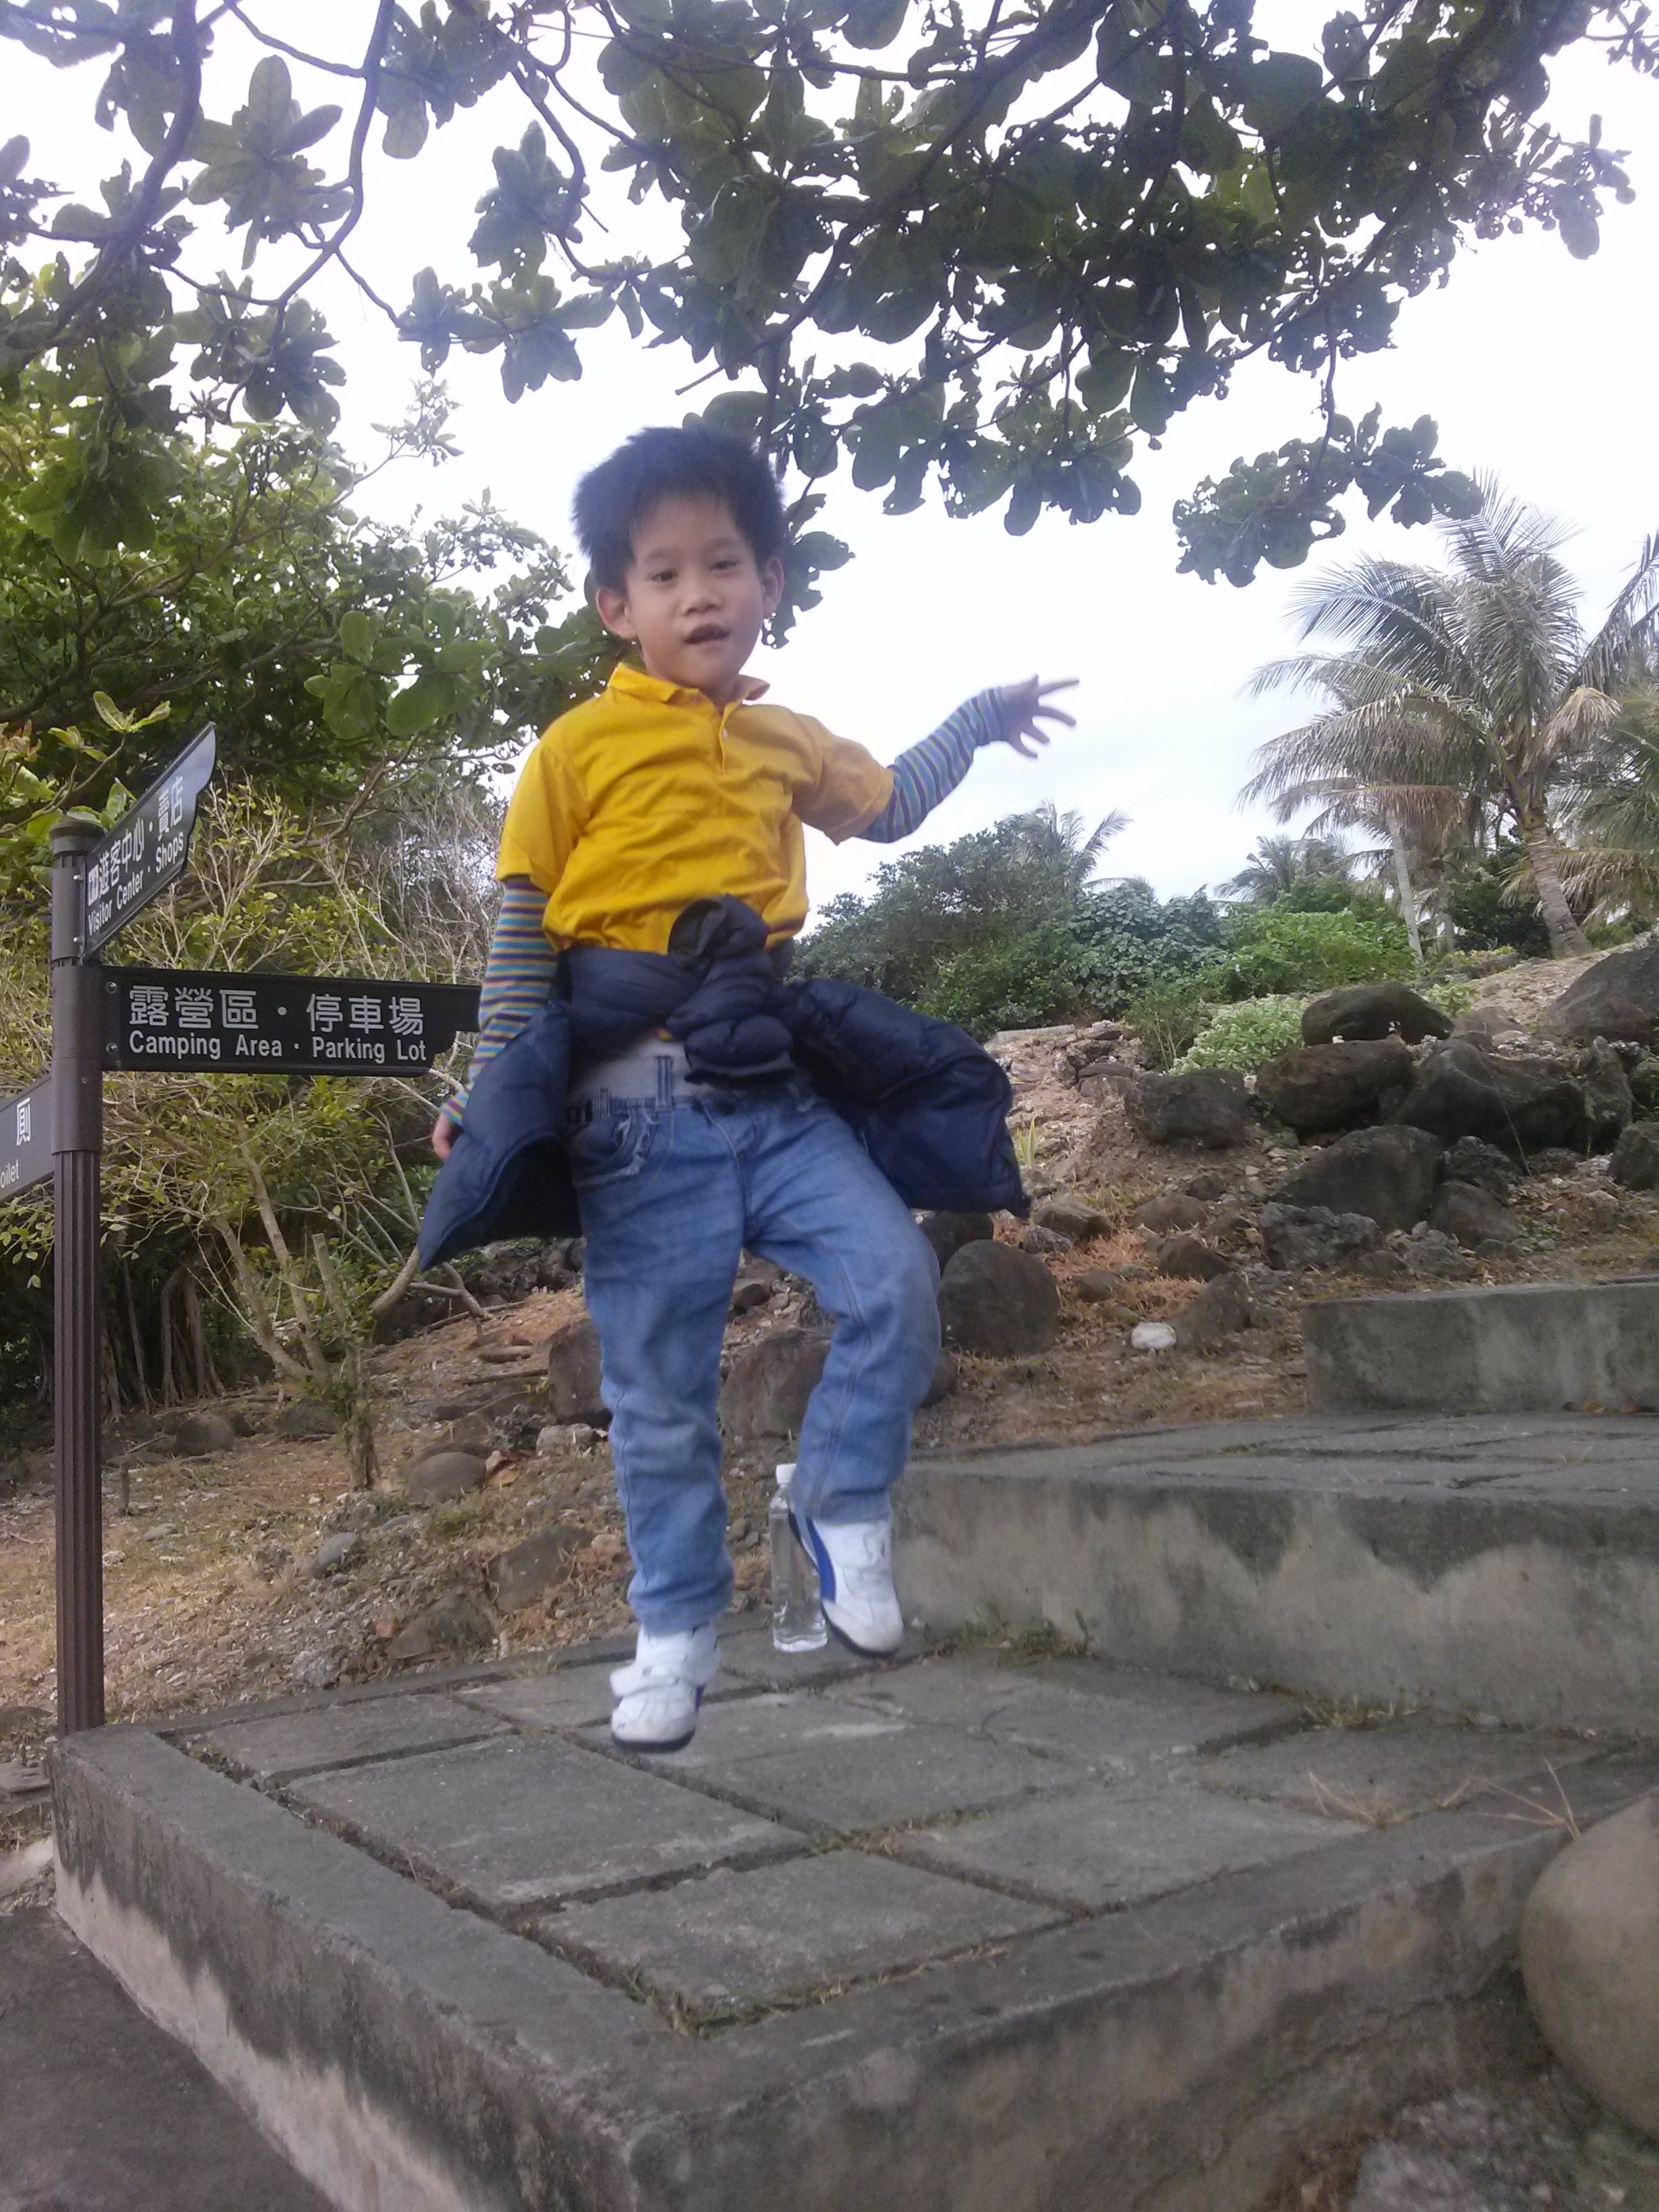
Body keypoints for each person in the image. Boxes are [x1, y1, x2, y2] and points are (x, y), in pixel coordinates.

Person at [430, 425, 1075, 1753]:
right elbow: (522, 928)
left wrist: (978, 718)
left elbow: (891, 805)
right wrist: (495, 1084)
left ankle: (840, 1505)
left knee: (893, 1281)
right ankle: (673, 1633)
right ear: (616, 605)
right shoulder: (575, 749)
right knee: (659, 1397)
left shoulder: (787, 740)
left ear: (769, 580)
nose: (699, 594)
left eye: (723, 563)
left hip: (772, 1094)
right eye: (663, 574)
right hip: (632, 1113)